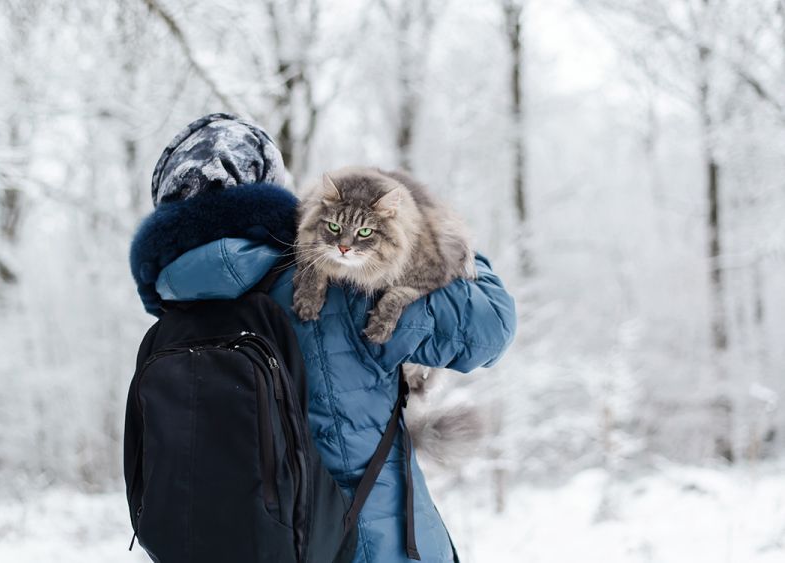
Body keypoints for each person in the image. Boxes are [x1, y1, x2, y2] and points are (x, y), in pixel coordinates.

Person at [130, 113, 516, 563]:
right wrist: (447, 238)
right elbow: (490, 329)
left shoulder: (168, 327)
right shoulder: (343, 287)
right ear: (269, 184)